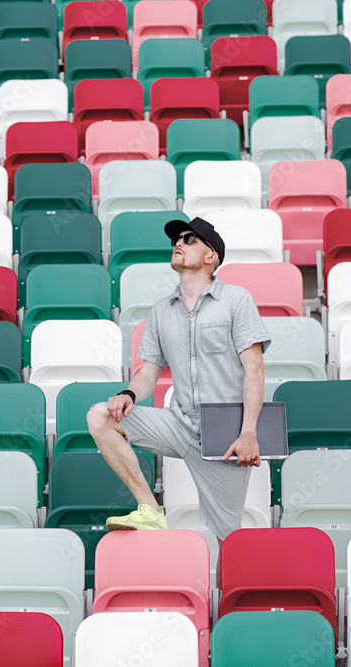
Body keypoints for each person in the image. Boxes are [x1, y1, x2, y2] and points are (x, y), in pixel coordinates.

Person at [86, 216, 270, 543]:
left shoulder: (237, 300)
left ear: (211, 256)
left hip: (223, 435)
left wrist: (249, 433)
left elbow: (254, 369)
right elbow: (148, 373)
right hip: (178, 422)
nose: (178, 244)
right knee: (100, 415)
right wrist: (129, 393)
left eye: (188, 239)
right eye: (176, 240)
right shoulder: (160, 311)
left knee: (227, 539)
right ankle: (150, 510)